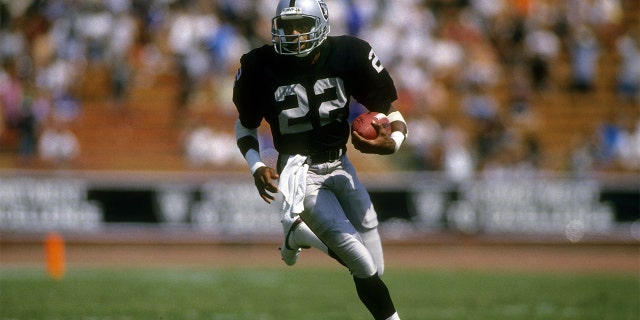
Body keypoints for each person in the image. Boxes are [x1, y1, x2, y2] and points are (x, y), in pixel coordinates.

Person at [232, 1, 407, 319]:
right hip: (299, 172)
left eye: (301, 25)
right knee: (363, 265)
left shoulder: (349, 53)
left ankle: (298, 233)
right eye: (287, 27)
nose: (294, 34)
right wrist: (257, 164)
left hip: (342, 165)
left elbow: (391, 111)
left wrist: (392, 142)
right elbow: (245, 125)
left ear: (322, 25)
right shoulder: (259, 65)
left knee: (375, 268)